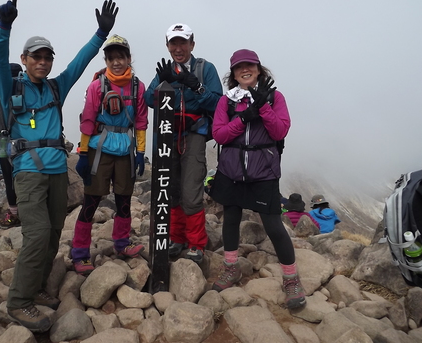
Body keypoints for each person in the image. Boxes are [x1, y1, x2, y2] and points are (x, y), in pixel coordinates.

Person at [0, 0, 118, 333]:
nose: (43, 62)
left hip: (57, 173)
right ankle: (18, 303)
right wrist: (3, 28)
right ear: (25, 58)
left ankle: (34, 292)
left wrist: (100, 35)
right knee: (36, 236)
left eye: (47, 57)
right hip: (29, 173)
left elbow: (78, 63)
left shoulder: (55, 87)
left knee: (51, 238)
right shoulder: (11, 87)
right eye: (36, 57)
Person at [210, 49, 306, 309]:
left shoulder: (275, 97)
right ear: (233, 73)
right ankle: (231, 267)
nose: (245, 69)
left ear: (259, 69)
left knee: (274, 225)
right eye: (239, 67)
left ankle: (291, 278)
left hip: (263, 172)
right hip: (230, 170)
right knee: (230, 219)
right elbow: (219, 135)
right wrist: (243, 118)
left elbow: (279, 130)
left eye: (249, 65)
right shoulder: (227, 101)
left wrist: (262, 106)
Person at [144, 23, 222, 264]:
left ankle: (196, 243)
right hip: (168, 136)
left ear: (192, 44)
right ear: (167, 45)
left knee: (190, 190)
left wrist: (194, 85)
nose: (178, 48)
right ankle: (177, 239)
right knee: (173, 190)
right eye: (173, 43)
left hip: (194, 135)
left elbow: (218, 105)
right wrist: (162, 84)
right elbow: (148, 99)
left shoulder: (205, 69)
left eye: (183, 42)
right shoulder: (164, 70)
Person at [71, 35, 148, 275]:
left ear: (128, 58)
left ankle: (122, 243)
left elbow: (141, 121)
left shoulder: (138, 87)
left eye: (120, 57)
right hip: (99, 150)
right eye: (111, 58)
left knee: (124, 199)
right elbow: (87, 120)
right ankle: (80, 253)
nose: (116, 62)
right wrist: (83, 153)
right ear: (106, 60)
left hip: (125, 149)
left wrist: (140, 152)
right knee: (91, 201)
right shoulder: (97, 86)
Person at [0, 63, 23, 227]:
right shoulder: (28, 89)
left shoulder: (0, 94)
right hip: (27, 140)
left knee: (9, 178)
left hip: (5, 141)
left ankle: (14, 214)